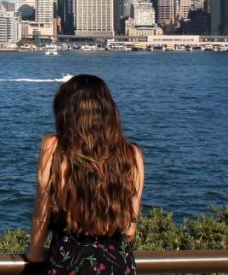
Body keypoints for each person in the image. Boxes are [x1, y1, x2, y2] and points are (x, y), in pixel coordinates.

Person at [25, 74, 144, 275]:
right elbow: (130, 228)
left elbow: (41, 213)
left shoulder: (53, 149)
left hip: (67, 262)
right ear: (108, 111)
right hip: (118, 264)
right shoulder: (132, 156)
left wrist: (35, 253)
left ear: (65, 113)